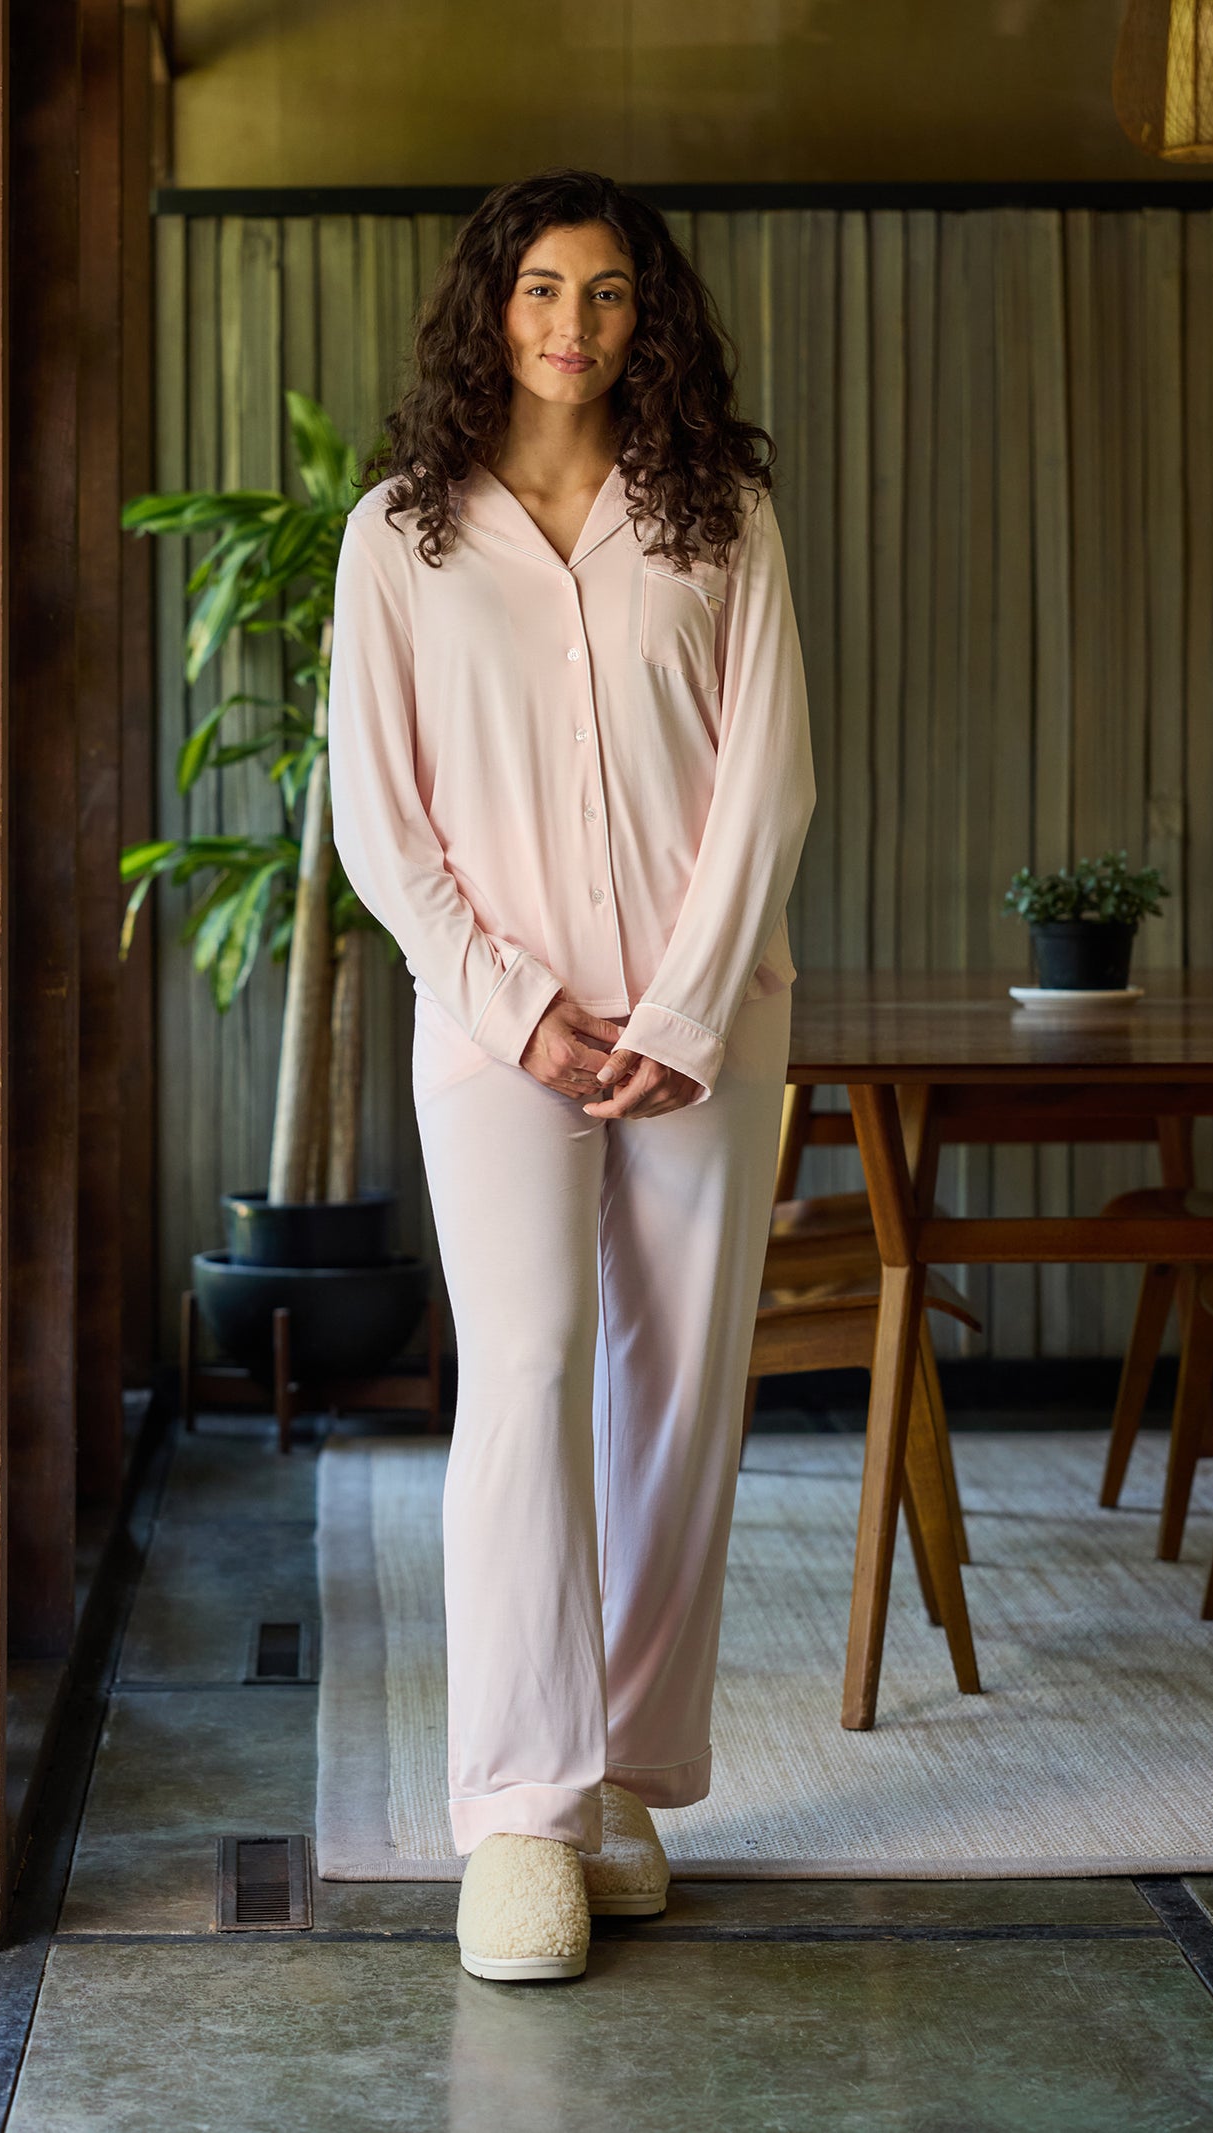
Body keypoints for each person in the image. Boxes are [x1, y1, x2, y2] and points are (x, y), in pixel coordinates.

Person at [327, 168, 815, 1983]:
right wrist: (523, 1005)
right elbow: (383, 822)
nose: (573, 324)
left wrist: (682, 1012)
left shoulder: (723, 515)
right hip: (498, 1028)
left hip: (706, 1020)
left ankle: (617, 1777)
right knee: (525, 1371)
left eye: (608, 293)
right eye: (543, 287)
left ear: (648, 317)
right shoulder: (405, 537)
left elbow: (768, 779)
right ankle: (519, 1813)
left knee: (678, 1391)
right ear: (493, 304)